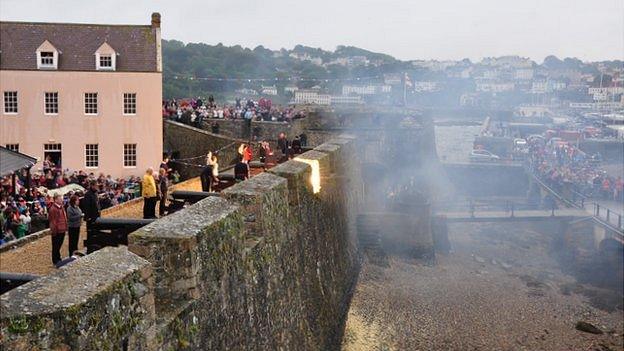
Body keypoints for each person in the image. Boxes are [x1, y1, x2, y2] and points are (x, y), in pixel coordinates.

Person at [48, 194, 68, 265]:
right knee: (55, 245)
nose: (62, 200)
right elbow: (53, 221)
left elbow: (64, 217)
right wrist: (54, 231)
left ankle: (58, 257)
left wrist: (66, 226)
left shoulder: (61, 207)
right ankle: (55, 260)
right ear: (56, 200)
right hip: (57, 230)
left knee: (59, 244)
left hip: (62, 229)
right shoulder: (53, 209)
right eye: (60, 199)